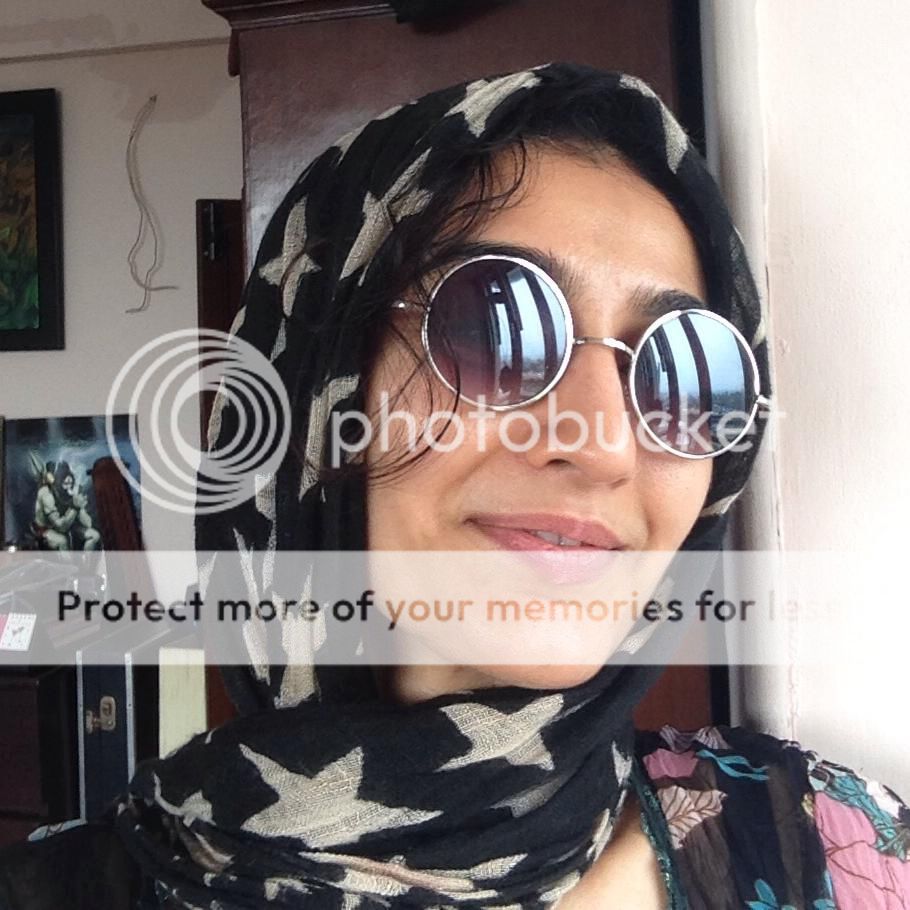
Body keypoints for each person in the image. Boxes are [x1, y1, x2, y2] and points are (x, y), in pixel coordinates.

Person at [1, 62, 908, 909]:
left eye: (687, 369)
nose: (603, 446)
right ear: (316, 393)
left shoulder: (823, 847)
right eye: (489, 323)